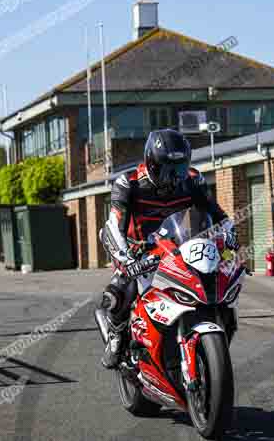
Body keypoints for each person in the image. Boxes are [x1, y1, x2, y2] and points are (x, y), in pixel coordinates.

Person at [98, 129, 237, 369]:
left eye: (180, 168)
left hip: (181, 247)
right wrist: (127, 259)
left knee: (218, 291)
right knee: (119, 292)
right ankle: (116, 335)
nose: (174, 177)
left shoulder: (193, 179)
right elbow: (114, 224)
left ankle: (210, 348)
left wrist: (230, 236)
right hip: (140, 252)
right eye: (167, 169)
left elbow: (218, 215)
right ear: (150, 162)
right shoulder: (128, 183)